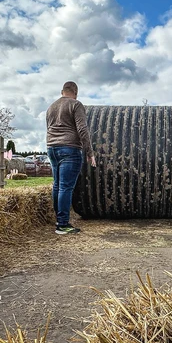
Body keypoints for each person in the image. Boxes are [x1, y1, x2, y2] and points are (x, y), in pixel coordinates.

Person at [46, 81, 96, 235]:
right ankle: (62, 225)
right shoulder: (76, 104)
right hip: (69, 148)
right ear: (75, 92)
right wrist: (90, 152)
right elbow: (82, 129)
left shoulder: (51, 107)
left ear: (62, 91)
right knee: (65, 187)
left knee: (57, 185)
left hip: (52, 148)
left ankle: (58, 219)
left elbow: (49, 128)